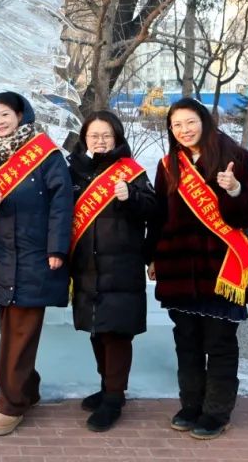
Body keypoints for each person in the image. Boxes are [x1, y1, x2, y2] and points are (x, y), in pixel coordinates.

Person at [148, 98, 248, 440]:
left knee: (219, 342)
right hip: (178, 263)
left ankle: (216, 412)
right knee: (187, 341)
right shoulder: (169, 165)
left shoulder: (235, 157)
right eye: (177, 125)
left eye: (190, 122)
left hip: (220, 265)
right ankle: (191, 405)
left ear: (205, 121)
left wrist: (234, 189)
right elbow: (159, 216)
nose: (184, 130)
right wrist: (152, 256)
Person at [0, 91, 72, 437]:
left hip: (36, 253)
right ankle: (27, 388)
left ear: (20, 115)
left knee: (21, 330)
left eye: (5, 114)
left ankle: (11, 404)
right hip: (3, 253)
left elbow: (62, 203)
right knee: (12, 329)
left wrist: (57, 249)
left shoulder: (46, 153)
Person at [66, 110, 156, 432]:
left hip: (121, 267)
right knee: (96, 329)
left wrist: (131, 197)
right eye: (94, 136)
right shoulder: (74, 171)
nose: (100, 141)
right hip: (86, 267)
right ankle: (107, 388)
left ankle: (115, 398)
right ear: (84, 139)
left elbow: (153, 210)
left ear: (117, 138)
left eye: (106, 135)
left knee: (116, 333)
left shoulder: (132, 171)